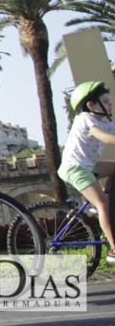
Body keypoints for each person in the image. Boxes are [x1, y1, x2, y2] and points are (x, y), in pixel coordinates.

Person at [58, 81, 115, 262]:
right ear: (91, 105)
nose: (110, 104)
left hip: (88, 166)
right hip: (75, 168)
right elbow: (104, 137)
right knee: (102, 204)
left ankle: (107, 199)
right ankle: (114, 250)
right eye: (105, 101)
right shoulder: (85, 118)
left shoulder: (104, 122)